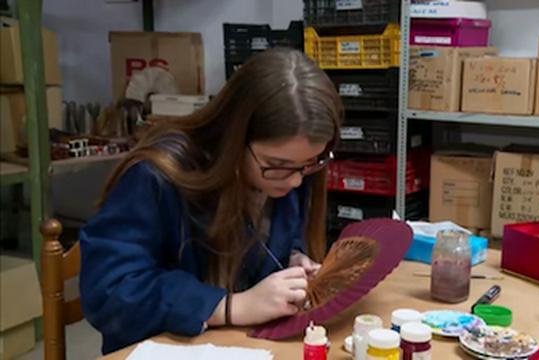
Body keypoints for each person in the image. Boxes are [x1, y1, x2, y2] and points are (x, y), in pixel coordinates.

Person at [79, 47, 344, 354]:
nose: (296, 181)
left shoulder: (292, 168)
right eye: (279, 165)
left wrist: (292, 258)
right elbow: (111, 293)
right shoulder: (157, 176)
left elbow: (273, 235)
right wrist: (231, 306)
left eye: (310, 164)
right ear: (234, 136)